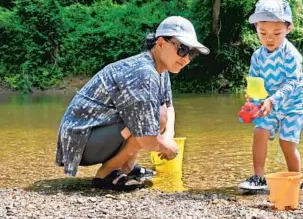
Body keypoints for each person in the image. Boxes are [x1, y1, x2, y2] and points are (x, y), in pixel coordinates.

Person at [55, 16, 209, 191]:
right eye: (182, 49)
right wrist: (168, 148)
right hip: (80, 141)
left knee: (158, 115)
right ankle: (107, 173)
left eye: (192, 53)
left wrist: (168, 135)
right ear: (160, 43)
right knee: (151, 121)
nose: (186, 58)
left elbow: (168, 106)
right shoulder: (143, 73)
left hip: (98, 133)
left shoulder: (161, 69)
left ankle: (124, 166)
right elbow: (147, 137)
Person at [239, 0, 303, 190]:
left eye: (276, 33)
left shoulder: (291, 54)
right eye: (262, 33)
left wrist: (272, 100)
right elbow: (255, 83)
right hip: (268, 103)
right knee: (259, 132)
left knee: (287, 142)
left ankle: (295, 180)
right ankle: (258, 177)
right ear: (256, 28)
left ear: (289, 29)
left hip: (294, 105)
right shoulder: (257, 56)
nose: (269, 38)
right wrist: (252, 102)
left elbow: (293, 82)